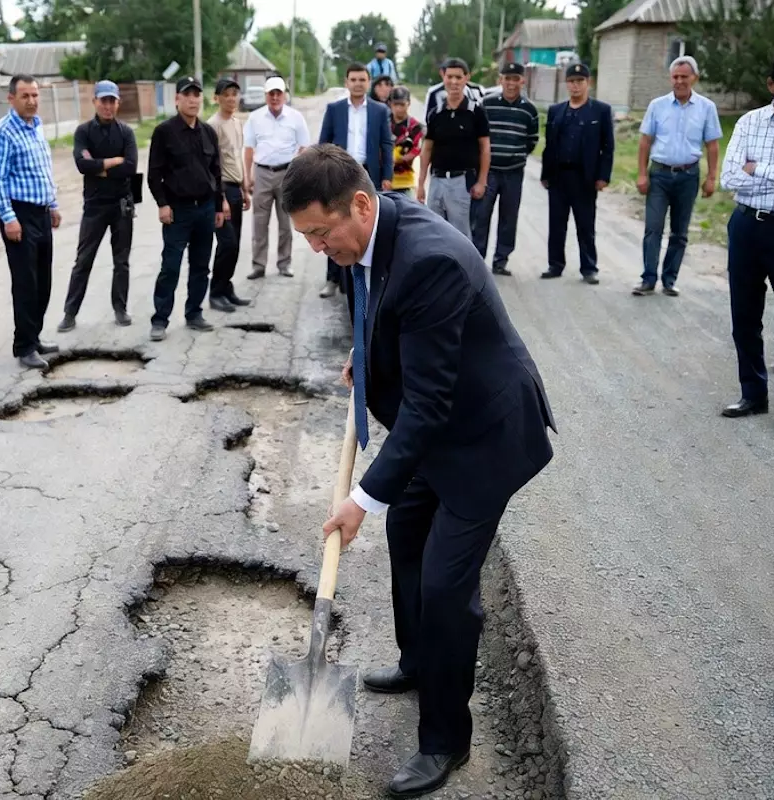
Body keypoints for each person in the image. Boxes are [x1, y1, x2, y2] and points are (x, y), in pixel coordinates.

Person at [281, 144, 555, 798]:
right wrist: (366, 351)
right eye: (306, 237)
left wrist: (361, 497)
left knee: (444, 589)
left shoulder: (430, 261)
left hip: (481, 439)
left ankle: (444, 742)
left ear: (361, 205)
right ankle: (416, 661)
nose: (319, 248)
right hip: (435, 428)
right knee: (406, 538)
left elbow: (429, 407)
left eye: (322, 233)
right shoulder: (372, 236)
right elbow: (379, 303)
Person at [718, 49, 774, 438]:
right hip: (747, 226)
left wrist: (760, 168)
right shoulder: (749, 123)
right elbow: (730, 176)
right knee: (744, 315)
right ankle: (753, 394)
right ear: (772, 85)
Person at [0, 74, 62, 370]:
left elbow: (43, 170)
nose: (32, 101)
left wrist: (53, 205)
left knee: (43, 280)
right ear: (11, 99)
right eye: (25, 96)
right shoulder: (3, 132)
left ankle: (35, 335)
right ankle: (24, 347)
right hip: (19, 215)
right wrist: (9, 218)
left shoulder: (37, 126)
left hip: (41, 212)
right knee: (26, 282)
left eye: (35, 95)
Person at [633, 56, 722, 297]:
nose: (680, 81)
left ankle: (669, 280)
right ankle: (648, 279)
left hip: (688, 176)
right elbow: (644, 142)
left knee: (679, 232)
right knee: (653, 227)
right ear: (670, 78)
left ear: (695, 78)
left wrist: (712, 177)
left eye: (685, 76)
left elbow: (712, 145)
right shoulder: (657, 106)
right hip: (659, 175)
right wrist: (642, 174)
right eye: (675, 76)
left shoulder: (707, 108)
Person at [146, 75, 225, 342]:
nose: (193, 100)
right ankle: (160, 320)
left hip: (204, 210)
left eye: (197, 95)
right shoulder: (164, 132)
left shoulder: (208, 132)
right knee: (171, 266)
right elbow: (154, 174)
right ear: (177, 99)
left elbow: (216, 172)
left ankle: (194, 313)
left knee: (201, 266)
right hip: (177, 212)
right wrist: (162, 204)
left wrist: (218, 206)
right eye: (187, 94)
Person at [58, 80, 138, 331]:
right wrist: (114, 161)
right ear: (94, 102)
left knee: (121, 260)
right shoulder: (83, 132)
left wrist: (100, 167)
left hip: (122, 203)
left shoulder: (126, 132)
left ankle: (120, 308)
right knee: (83, 260)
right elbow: (83, 165)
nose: (108, 106)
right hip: (94, 205)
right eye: (103, 100)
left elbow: (131, 167)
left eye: (112, 101)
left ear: (118, 103)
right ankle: (70, 313)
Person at [317, 62, 395, 298]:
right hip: (339, 172)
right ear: (346, 82)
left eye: (362, 79)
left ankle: (366, 276)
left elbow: (386, 145)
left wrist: (388, 176)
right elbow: (324, 143)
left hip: (369, 174)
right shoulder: (335, 109)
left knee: (366, 224)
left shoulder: (380, 111)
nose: (358, 84)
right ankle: (332, 279)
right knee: (333, 223)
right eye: (354, 79)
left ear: (368, 82)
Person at [540, 63, 614, 285]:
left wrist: (603, 176)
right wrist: (545, 173)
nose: (575, 86)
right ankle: (555, 264)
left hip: (585, 177)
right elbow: (549, 144)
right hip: (559, 175)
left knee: (585, 224)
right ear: (566, 84)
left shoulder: (600, 111)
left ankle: (589, 267)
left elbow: (607, 147)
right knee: (556, 223)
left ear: (588, 83)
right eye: (571, 81)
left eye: (580, 81)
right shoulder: (556, 111)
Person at [472, 62, 538, 276]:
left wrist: (516, 155)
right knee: (481, 216)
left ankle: (501, 260)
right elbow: (477, 136)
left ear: (522, 80)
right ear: (500, 80)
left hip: (514, 172)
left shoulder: (529, 109)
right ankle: (477, 259)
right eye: (507, 78)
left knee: (509, 218)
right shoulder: (486, 104)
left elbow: (532, 140)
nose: (511, 83)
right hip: (488, 172)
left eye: (515, 78)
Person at [244, 75, 310, 279]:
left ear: (284, 95)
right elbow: (248, 149)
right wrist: (248, 177)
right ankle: (258, 264)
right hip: (262, 173)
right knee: (259, 222)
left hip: (286, 174)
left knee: (285, 223)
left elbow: (304, 148)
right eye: (271, 93)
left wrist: (299, 175)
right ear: (266, 95)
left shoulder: (295, 117)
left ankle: (284, 263)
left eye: (278, 93)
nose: (275, 97)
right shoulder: (254, 118)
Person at [418, 58, 490, 237]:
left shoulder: (476, 112)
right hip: (437, 181)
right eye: (449, 77)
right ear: (443, 77)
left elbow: (485, 148)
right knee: (435, 232)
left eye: (458, 77)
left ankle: (463, 266)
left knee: (461, 235)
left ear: (467, 78)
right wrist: (421, 183)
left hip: (462, 182)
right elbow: (427, 149)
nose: (454, 82)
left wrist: (482, 181)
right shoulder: (436, 113)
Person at [207, 77, 253, 313]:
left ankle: (226, 287)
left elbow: (237, 158)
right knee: (226, 243)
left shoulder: (236, 123)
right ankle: (215, 292)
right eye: (226, 94)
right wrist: (220, 198)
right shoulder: (212, 125)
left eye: (235, 94)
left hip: (236, 188)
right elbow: (212, 166)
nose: (231, 98)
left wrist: (245, 188)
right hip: (222, 189)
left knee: (235, 245)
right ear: (217, 98)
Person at [388, 87, 425, 198]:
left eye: (402, 104)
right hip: (384, 180)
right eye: (396, 104)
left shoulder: (416, 127)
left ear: (408, 103)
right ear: (390, 104)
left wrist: (397, 159)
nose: (399, 108)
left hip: (406, 181)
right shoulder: (383, 124)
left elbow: (416, 151)